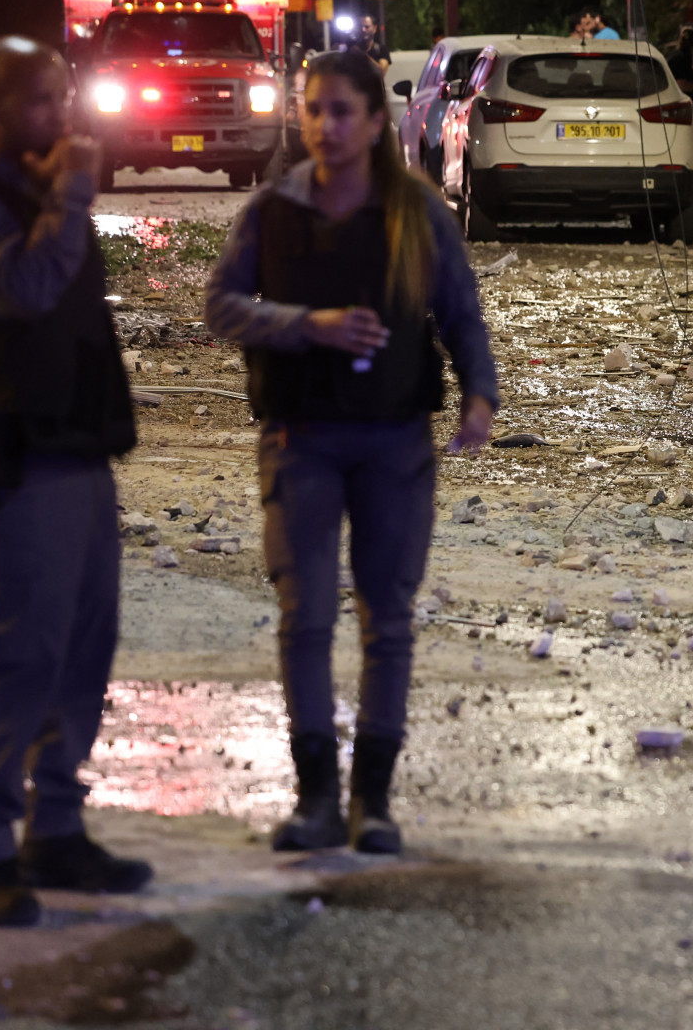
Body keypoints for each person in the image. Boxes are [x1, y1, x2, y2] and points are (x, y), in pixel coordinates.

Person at [204, 49, 499, 855]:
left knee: (387, 618)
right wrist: (308, 324)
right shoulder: (273, 212)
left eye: (342, 111)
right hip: (300, 438)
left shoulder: (419, 215)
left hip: (395, 440)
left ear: (375, 122)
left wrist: (480, 395)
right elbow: (222, 305)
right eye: (312, 109)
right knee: (304, 617)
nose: (325, 126)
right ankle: (315, 799)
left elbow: (461, 315)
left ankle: (373, 799)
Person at [0, 36, 150, 928]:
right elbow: (16, 292)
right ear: (6, 107)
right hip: (18, 464)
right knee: (21, 656)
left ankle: (55, 831)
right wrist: (70, 198)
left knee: (84, 652)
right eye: (48, 99)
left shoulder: (43, 194)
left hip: (80, 456)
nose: (66, 115)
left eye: (67, 96)